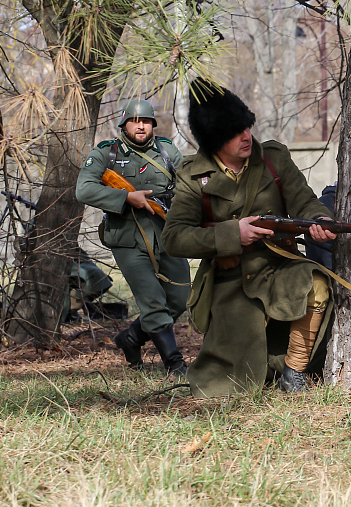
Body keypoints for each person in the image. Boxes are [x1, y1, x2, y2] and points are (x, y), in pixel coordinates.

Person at [161, 80, 336, 397]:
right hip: (231, 280)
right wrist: (232, 234)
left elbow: (305, 201)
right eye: (233, 132)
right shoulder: (192, 175)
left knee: (317, 283)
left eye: (246, 127)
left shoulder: (273, 159)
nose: (245, 137)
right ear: (214, 140)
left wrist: (319, 218)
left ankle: (294, 373)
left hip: (280, 267)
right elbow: (173, 239)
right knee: (229, 384)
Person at [76, 99, 191, 374]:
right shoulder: (107, 153)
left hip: (165, 231)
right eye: (135, 121)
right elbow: (84, 190)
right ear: (124, 124)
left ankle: (131, 338)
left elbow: (189, 179)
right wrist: (126, 197)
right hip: (127, 237)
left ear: (153, 124)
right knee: (152, 300)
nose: (141, 126)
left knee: (179, 297)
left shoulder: (166, 151)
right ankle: (174, 364)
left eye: (146, 121)